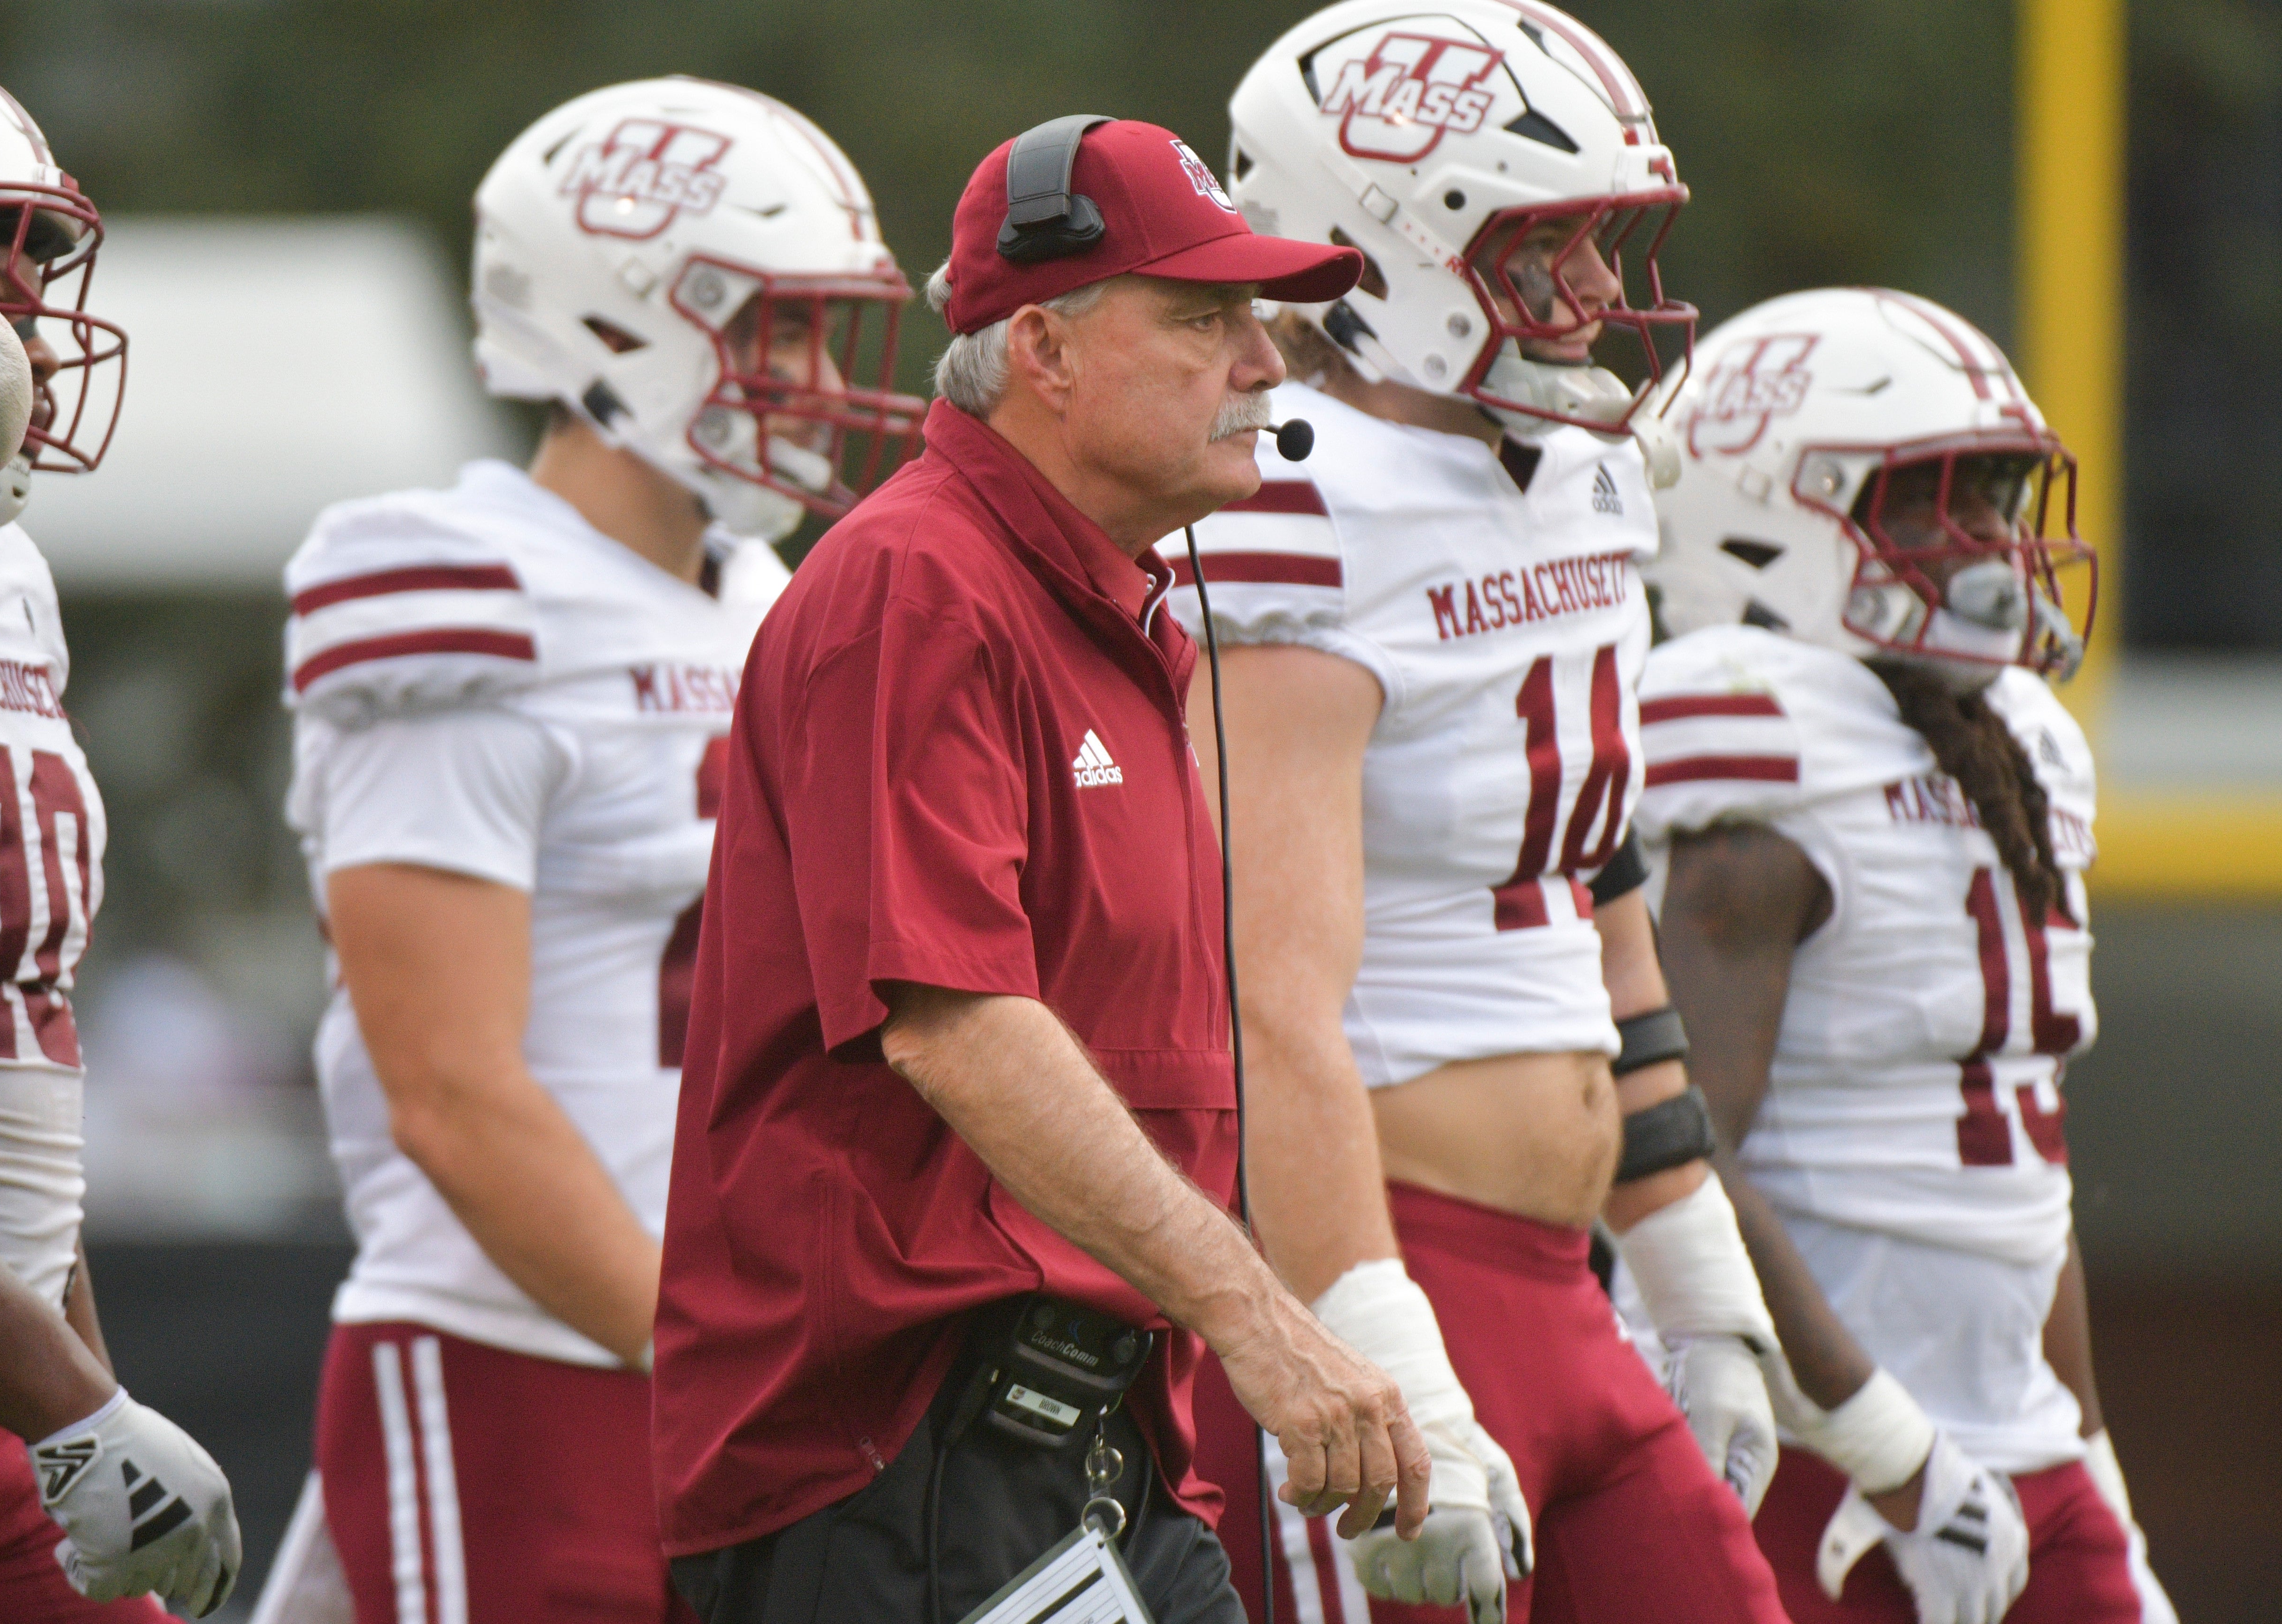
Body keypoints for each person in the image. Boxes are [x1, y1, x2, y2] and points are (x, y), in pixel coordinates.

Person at [653, 114, 1432, 1624]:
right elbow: (957, 1024)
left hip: (1076, 1444)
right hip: (898, 1458)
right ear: (1043, 353)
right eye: (1205, 320)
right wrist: (1261, 1321)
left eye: (1260, 324)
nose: (1267, 366)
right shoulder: (918, 585)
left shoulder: (1109, 604)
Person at [1171, 5, 1791, 1619]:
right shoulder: (1288, 497)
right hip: (1382, 1269)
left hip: (1565, 1281)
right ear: (1375, 252)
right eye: (1542, 244)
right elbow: (1265, 998)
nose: (1593, 290)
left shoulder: (1581, 471)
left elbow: (1594, 887)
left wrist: (1683, 1251)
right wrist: (1372, 1350)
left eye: (1597, 237)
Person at [275, 77, 922, 1624]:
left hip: (756, 1377)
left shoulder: (777, 598)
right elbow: (448, 1088)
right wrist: (720, 1350)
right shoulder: (457, 580)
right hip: (525, 1357)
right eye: (772, 330)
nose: (817, 380)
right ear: (614, 324)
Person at [1631, 285, 2177, 1624]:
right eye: (1934, 504)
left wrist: (2089, 1455)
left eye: (1996, 502)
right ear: (1762, 514)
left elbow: (2019, 1161)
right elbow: (1671, 1145)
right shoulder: (1760, 751)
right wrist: (1884, 1440)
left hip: (2020, 1445)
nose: (1989, 547)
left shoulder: (2018, 746)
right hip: (1814, 1451)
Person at [0, 38, 240, 1621]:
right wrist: (74, 1398)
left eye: (43, 248)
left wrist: (85, 1389)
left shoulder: (7, 567)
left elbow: (16, 1030)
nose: (25, 290)